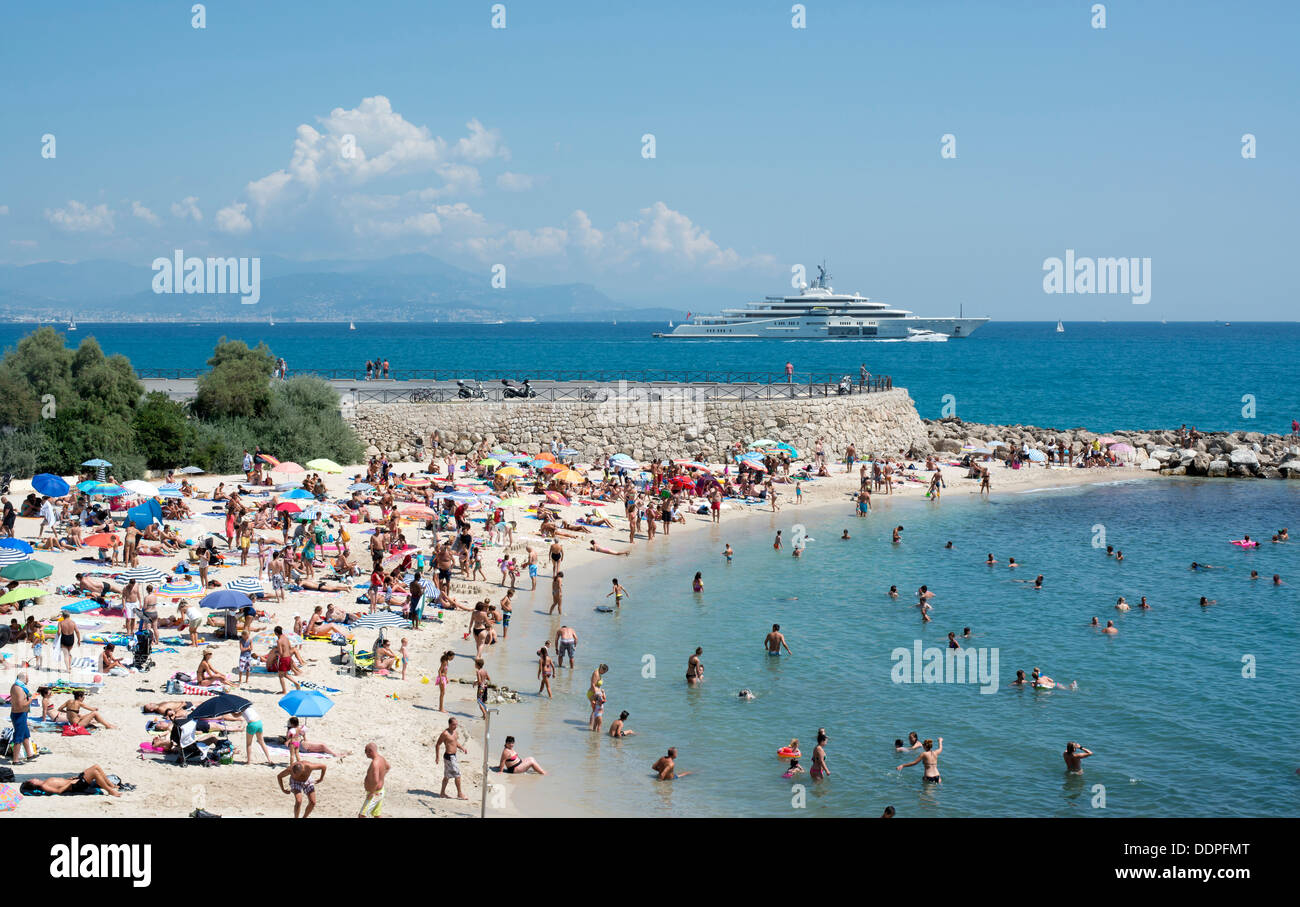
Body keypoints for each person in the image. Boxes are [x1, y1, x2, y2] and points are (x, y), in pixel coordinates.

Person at [20, 765, 122, 797]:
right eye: (32, 779)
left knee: (96, 767)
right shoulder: (44, 786)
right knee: (95, 772)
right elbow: (59, 791)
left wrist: (69, 779)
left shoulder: (45, 782)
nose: (34, 778)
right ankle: (110, 790)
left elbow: (61, 782)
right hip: (75, 786)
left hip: (73, 782)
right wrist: (70, 783)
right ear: (32, 783)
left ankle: (111, 785)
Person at [436, 717, 469, 800]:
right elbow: (438, 744)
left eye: (456, 724)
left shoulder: (455, 732)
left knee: (447, 776)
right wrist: (437, 757)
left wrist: (462, 748)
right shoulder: (445, 733)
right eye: (454, 724)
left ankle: (442, 793)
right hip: (449, 756)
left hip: (453, 756)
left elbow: (455, 742)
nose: (455, 726)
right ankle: (460, 794)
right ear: (449, 724)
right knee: (457, 775)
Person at [8, 671, 35, 765]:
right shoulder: (18, 688)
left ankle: (30, 755)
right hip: (19, 714)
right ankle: (15, 760)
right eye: (28, 678)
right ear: (24, 678)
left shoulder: (18, 686)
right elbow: (20, 705)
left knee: (26, 735)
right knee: (18, 737)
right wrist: (30, 700)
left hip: (22, 714)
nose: (28, 679)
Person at [358, 741, 390, 817]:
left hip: (375, 793)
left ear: (370, 751)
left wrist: (372, 792)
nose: (365, 753)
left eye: (365, 751)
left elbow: (375, 781)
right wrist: (382, 777)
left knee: (362, 815)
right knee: (377, 815)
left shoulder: (374, 763)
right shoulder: (381, 758)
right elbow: (388, 767)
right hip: (381, 791)